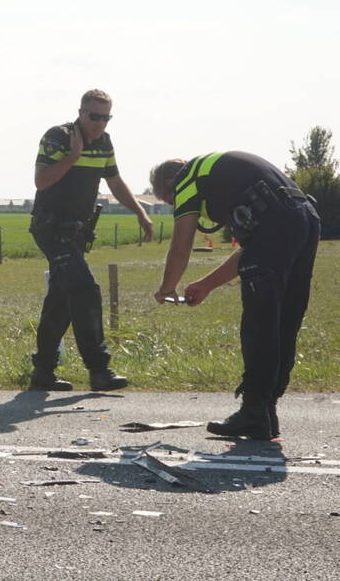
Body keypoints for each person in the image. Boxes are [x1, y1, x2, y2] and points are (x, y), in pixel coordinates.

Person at [150, 152, 319, 439]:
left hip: (277, 226)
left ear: (170, 183)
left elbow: (181, 246)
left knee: (260, 323)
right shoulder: (226, 180)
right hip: (304, 220)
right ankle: (265, 410)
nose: (177, 207)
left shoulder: (187, 179)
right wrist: (206, 284)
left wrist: (167, 287)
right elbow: (252, 251)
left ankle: (254, 411)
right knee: (283, 322)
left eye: (170, 201)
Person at [29, 89, 153, 392]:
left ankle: (43, 372)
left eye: (105, 117)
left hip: (76, 231)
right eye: (94, 116)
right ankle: (99, 370)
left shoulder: (105, 142)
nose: (99, 123)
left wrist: (139, 212)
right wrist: (72, 156)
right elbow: (42, 181)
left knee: (61, 300)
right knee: (86, 290)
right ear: (81, 112)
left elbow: (114, 180)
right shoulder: (58, 136)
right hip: (51, 227)